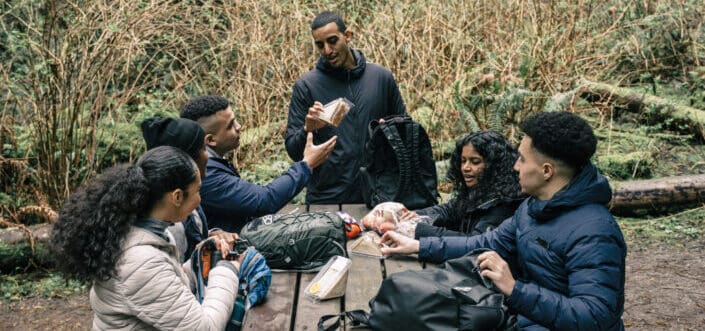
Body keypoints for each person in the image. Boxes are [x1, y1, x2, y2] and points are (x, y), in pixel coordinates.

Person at [380, 112, 627, 330]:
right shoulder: (532, 207)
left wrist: (514, 288)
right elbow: (487, 242)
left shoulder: (594, 233)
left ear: (547, 171)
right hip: (523, 317)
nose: (515, 167)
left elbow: (594, 317)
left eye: (522, 159)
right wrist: (418, 245)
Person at [51, 146, 244, 330]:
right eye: (197, 191)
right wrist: (227, 270)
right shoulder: (140, 261)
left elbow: (167, 285)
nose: (199, 199)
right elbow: (204, 328)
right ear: (176, 197)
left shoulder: (144, 231)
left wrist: (201, 257)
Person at [285, 10, 407, 204]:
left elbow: (406, 131)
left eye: (332, 41)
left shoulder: (380, 78)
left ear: (347, 36)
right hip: (327, 199)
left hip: (379, 195)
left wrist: (390, 129)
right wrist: (307, 129)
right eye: (320, 45)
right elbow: (293, 150)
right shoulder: (307, 86)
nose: (327, 50)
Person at [180, 95, 336, 233]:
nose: (239, 127)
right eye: (231, 125)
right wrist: (306, 165)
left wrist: (307, 130)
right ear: (210, 140)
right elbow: (264, 201)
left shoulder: (210, 164)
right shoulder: (206, 174)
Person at [140, 116, 238, 261]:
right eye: (204, 149)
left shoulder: (178, 206)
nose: (208, 155)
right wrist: (227, 269)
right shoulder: (171, 229)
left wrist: (212, 235)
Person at [400, 131, 523, 238]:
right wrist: (413, 216)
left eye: (475, 162)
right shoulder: (477, 190)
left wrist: (417, 230)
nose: (465, 167)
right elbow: (449, 210)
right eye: (463, 161)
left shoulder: (504, 204)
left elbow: (474, 241)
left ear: (494, 166)